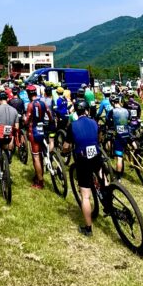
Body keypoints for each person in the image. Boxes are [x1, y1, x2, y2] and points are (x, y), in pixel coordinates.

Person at [62, 99, 109, 236]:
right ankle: (108, 198)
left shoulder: (73, 125)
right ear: (87, 110)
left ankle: (88, 228)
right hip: (96, 154)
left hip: (82, 158)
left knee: (85, 196)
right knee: (102, 175)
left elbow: (66, 146)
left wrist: (64, 151)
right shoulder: (94, 122)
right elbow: (99, 138)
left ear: (76, 112)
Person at [24, 85, 54, 189]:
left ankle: (40, 182)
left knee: (36, 157)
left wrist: (24, 120)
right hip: (42, 130)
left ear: (28, 94)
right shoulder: (43, 103)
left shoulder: (30, 105)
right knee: (40, 154)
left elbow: (26, 121)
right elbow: (50, 115)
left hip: (34, 132)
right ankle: (39, 174)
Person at [107, 95, 130, 174]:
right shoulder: (126, 110)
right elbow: (129, 119)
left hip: (119, 135)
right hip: (127, 133)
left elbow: (108, 121)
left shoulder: (112, 111)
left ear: (113, 103)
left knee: (119, 157)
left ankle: (118, 176)